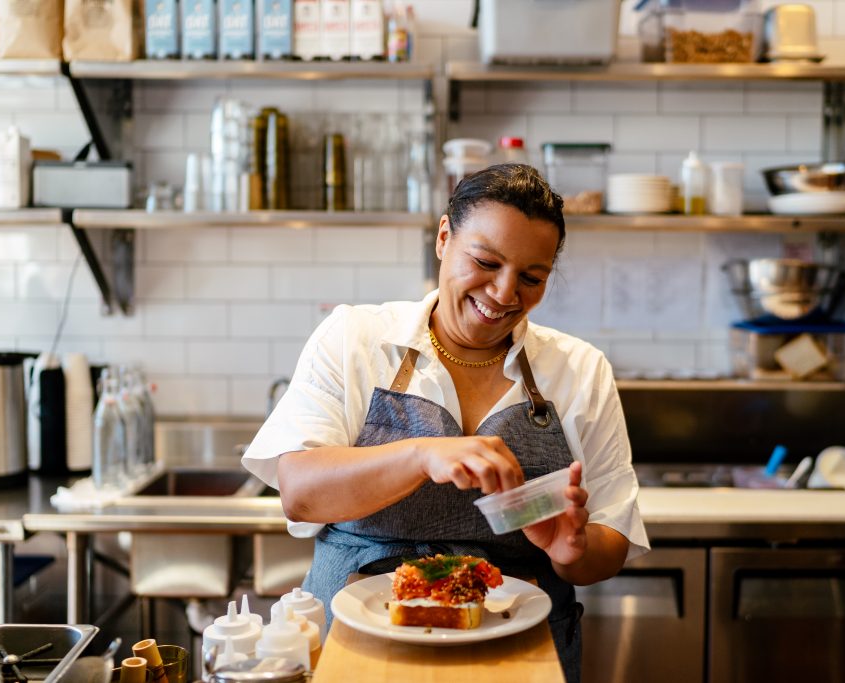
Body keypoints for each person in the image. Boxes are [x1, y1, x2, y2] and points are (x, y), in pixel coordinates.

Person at [243, 163, 649, 683]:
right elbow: (299, 492)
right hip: (357, 643)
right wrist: (422, 453)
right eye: (485, 261)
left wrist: (573, 551)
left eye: (532, 277)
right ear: (443, 238)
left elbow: (610, 535)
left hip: (517, 652)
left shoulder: (579, 370)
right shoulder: (354, 339)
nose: (504, 294)